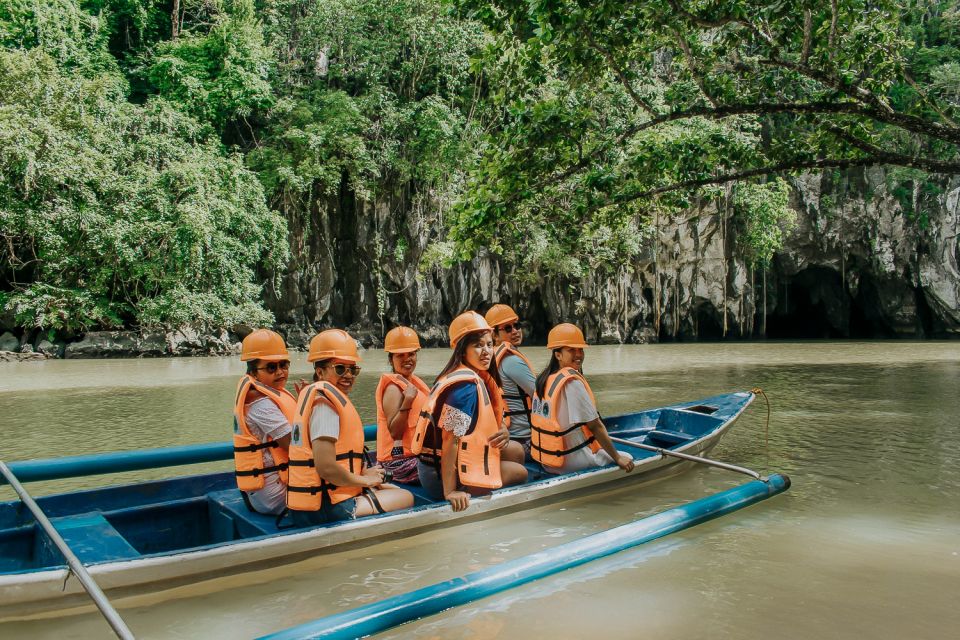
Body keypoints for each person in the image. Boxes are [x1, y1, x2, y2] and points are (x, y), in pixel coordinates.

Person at [287, 329, 414, 526]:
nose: (348, 375)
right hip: (329, 507)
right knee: (406, 497)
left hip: (320, 500)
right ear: (320, 372)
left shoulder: (320, 398)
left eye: (352, 369)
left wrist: (364, 475)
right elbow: (326, 468)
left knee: (386, 487)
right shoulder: (325, 407)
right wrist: (365, 481)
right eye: (340, 369)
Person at [412, 311, 528, 511]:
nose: (486, 352)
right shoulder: (464, 389)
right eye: (478, 345)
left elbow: (483, 423)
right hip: (438, 475)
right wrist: (450, 491)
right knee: (520, 473)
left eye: (489, 344)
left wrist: (503, 431)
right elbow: (450, 440)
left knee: (516, 450)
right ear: (461, 350)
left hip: (442, 464)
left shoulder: (468, 376)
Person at [530, 323, 635, 475]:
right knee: (628, 457)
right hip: (569, 462)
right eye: (571, 350)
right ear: (557, 354)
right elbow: (595, 426)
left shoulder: (544, 379)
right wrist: (617, 458)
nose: (578, 354)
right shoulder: (571, 382)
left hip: (546, 461)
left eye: (580, 349)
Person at [233, 329, 295, 515]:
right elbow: (294, 446)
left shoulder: (267, 393)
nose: (280, 372)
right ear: (254, 372)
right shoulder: (261, 404)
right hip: (273, 494)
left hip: (266, 489)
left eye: (284, 365)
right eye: (271, 367)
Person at [374, 326, 430, 484]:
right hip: (397, 463)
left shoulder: (415, 382)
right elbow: (395, 432)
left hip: (416, 455)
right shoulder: (393, 388)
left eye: (411, 354)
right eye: (400, 355)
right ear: (391, 359)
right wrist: (408, 401)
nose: (407, 359)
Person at [485, 304, 537, 458]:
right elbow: (545, 395)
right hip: (526, 440)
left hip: (510, 438)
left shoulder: (488, 359)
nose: (515, 331)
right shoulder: (511, 361)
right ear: (494, 335)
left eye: (517, 325)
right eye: (507, 328)